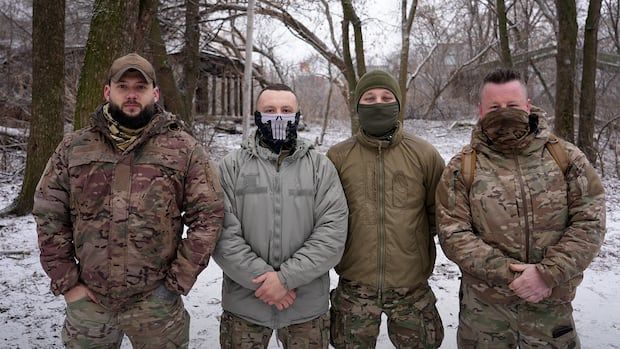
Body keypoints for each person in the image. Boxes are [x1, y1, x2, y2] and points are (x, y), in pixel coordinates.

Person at [33, 52, 224, 348]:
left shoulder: (183, 149)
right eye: (123, 87)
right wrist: (67, 281)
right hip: (90, 307)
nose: (131, 95)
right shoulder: (75, 147)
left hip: (156, 306)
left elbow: (208, 216)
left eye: (140, 87)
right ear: (108, 91)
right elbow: (49, 213)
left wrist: (176, 282)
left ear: (155, 93)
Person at [435, 68, 606, 348]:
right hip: (484, 319)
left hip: (550, 314)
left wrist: (546, 274)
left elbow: (590, 222)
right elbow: (453, 233)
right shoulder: (462, 167)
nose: (504, 112)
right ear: (481, 111)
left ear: (528, 107)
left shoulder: (565, 157)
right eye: (494, 107)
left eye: (512, 105)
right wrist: (512, 275)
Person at [212, 83, 348, 348]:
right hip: (245, 308)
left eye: (286, 110)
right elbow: (221, 233)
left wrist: (285, 279)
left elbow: (332, 233)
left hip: (305, 308)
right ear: (256, 116)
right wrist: (266, 283)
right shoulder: (231, 166)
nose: (278, 116)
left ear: (298, 116)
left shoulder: (320, 167)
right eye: (270, 110)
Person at [326, 70, 445, 348]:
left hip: (412, 290)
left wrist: (414, 246)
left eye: (386, 97)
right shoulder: (338, 157)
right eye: (369, 98)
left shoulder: (424, 154)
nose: (378, 103)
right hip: (354, 288)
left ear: (398, 104)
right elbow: (327, 217)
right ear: (357, 106)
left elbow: (438, 213)